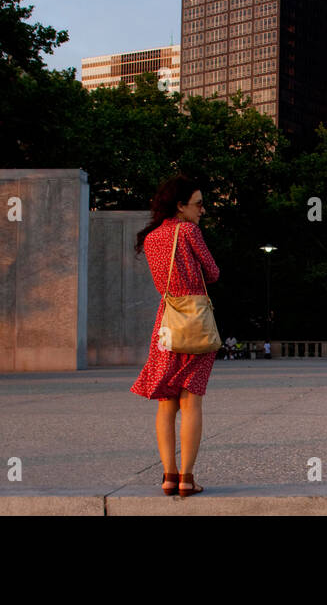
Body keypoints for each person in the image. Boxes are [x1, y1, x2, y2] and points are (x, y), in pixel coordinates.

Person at [130, 176, 220, 497]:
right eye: (198, 204)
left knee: (166, 402)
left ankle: (168, 476)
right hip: (195, 320)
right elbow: (213, 272)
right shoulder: (190, 231)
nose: (202, 210)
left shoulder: (152, 238)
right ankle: (187, 479)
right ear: (180, 206)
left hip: (166, 323)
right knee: (191, 399)